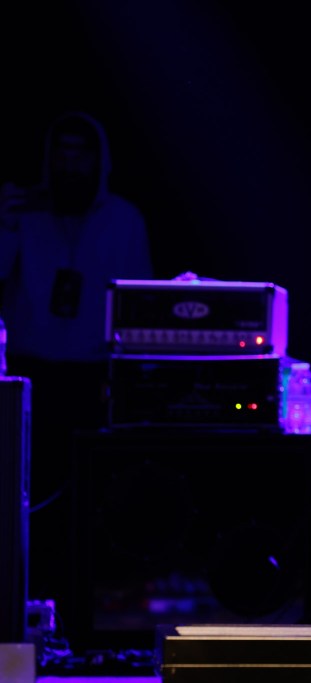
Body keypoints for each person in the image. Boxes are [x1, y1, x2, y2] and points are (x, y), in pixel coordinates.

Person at [0, 110, 153, 607]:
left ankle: (87, 607)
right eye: (61, 153)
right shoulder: (24, 213)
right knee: (28, 494)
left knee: (91, 498)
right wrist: (4, 224)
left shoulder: (124, 219)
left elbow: (139, 303)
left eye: (80, 154)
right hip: (31, 374)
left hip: (93, 377)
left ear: (98, 161)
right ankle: (27, 601)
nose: (70, 164)